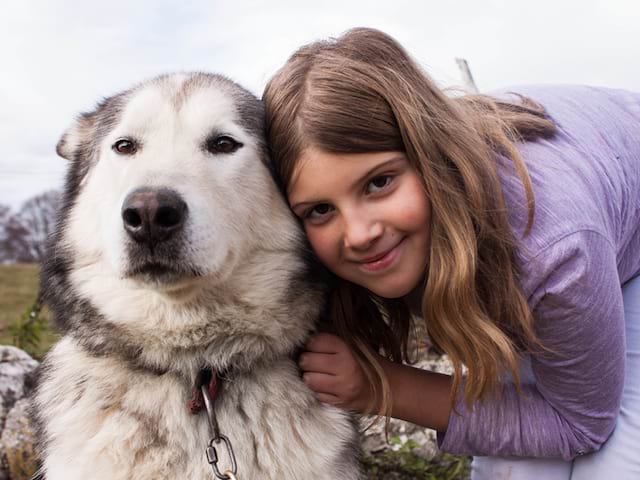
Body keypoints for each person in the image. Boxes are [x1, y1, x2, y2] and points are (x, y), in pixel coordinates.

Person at [262, 27, 640, 479]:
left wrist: (383, 386)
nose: (359, 234)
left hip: (600, 239)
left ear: (431, 154)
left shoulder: (554, 249)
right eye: (320, 209)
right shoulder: (399, 234)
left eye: (379, 182)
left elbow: (579, 425)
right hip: (533, 251)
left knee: (612, 467)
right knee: (515, 465)